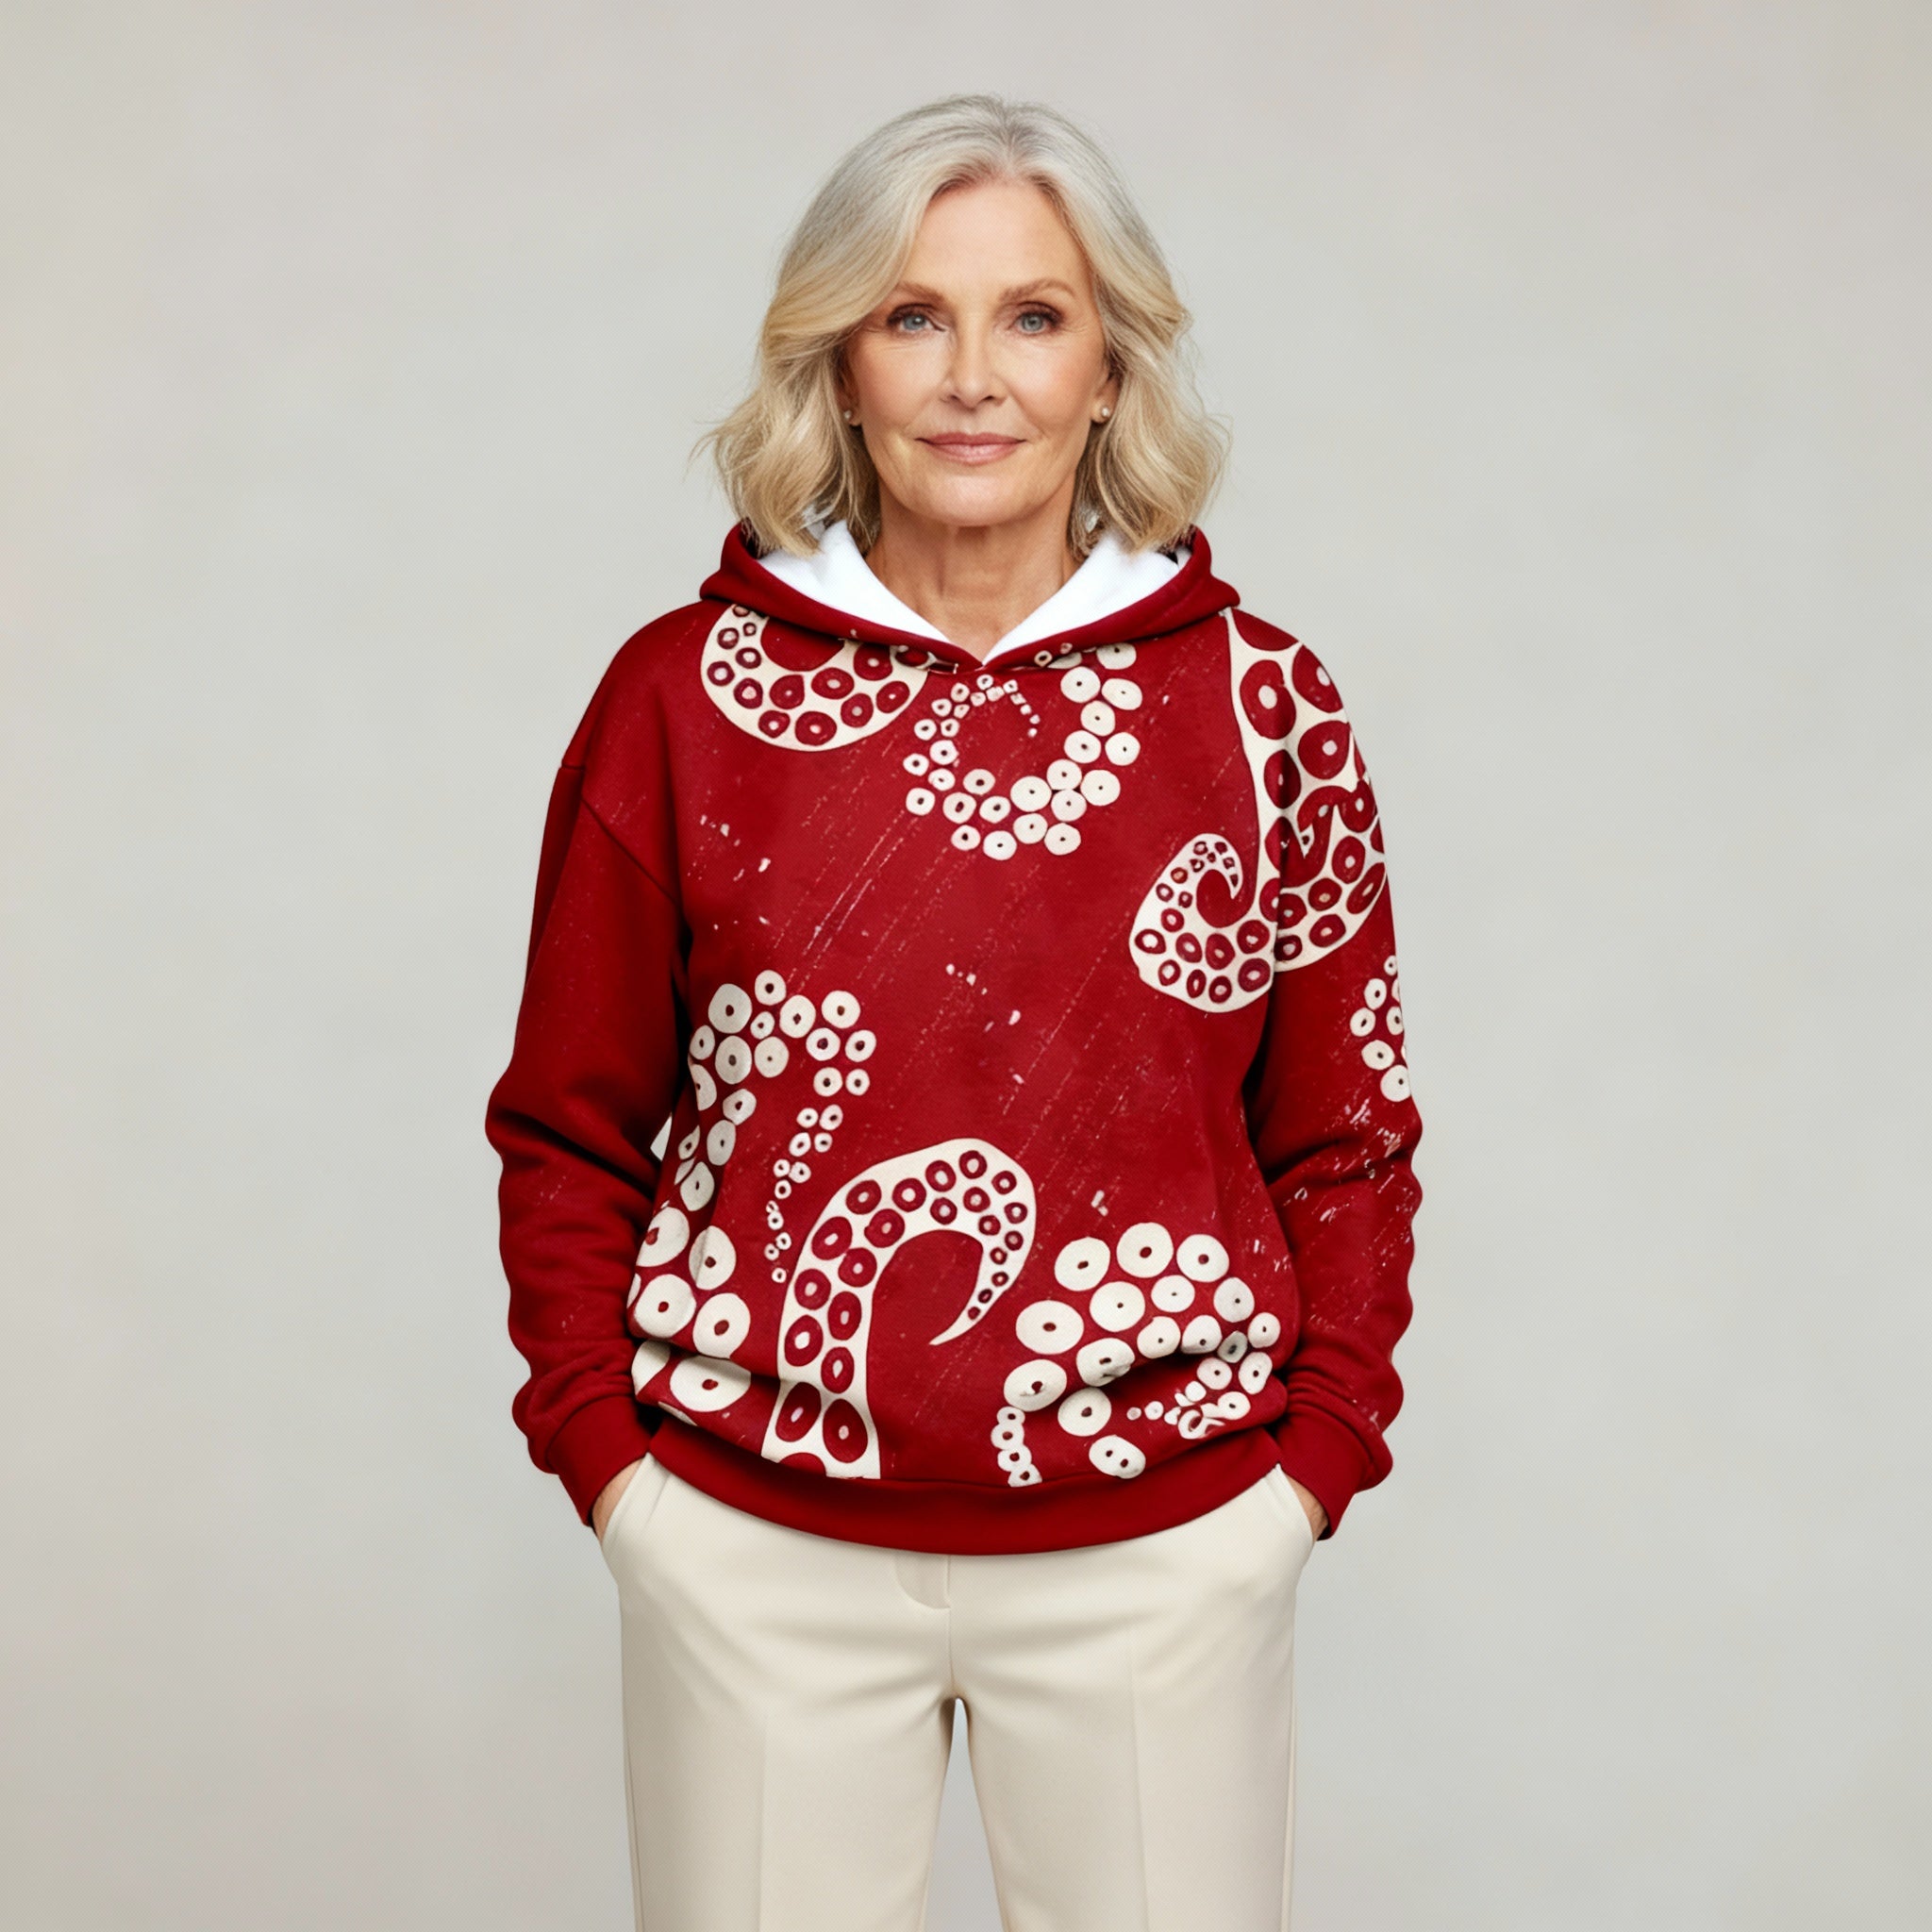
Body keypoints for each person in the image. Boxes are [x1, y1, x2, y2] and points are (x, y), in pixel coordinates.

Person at [485, 91, 1423, 1932]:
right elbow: (568, 1125)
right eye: (912, 315)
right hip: (754, 1540)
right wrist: (621, 1478)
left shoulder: (1263, 709)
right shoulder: (680, 701)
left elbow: (1346, 1135)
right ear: (838, 365)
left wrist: (1300, 1481)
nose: (972, 376)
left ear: (1109, 368)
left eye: (1033, 316)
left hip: (1163, 1541)